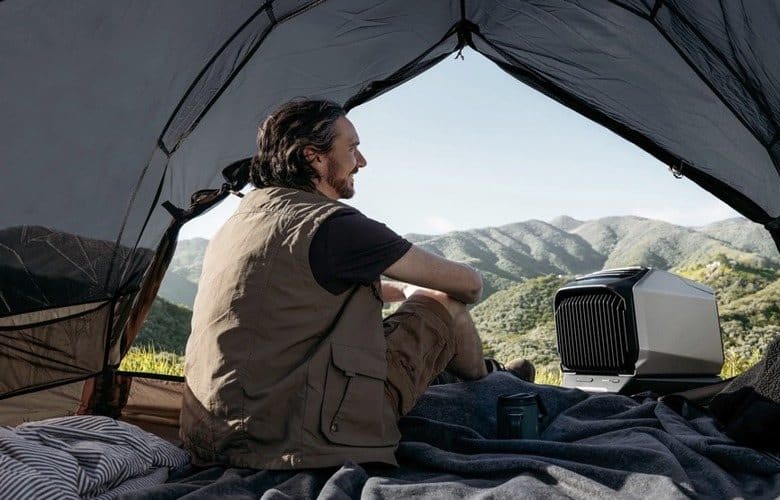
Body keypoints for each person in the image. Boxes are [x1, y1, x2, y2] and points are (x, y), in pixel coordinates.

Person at [180, 99, 531, 470]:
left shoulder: (244, 219)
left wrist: (401, 290)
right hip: (297, 442)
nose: (361, 162)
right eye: (352, 149)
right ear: (314, 157)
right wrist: (419, 293)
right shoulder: (335, 225)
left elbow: (313, 280)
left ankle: (455, 375)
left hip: (213, 435)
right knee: (445, 303)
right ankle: (492, 384)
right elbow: (470, 285)